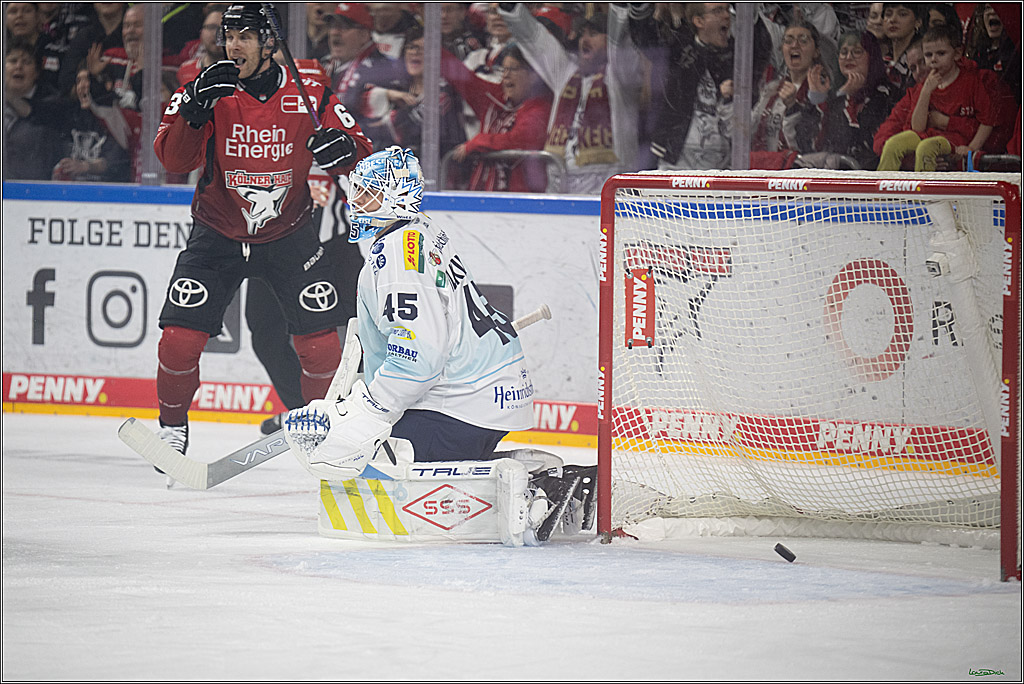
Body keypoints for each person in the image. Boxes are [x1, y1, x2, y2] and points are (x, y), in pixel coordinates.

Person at [281, 146, 594, 546]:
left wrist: (369, 411)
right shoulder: (419, 232)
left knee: (355, 456)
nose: (355, 202)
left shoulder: (398, 253)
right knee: (356, 443)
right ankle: (519, 472)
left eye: (368, 194)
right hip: (484, 397)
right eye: (357, 192)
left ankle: (529, 493)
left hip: (460, 404)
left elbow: (420, 357)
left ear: (396, 197)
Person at [150, 3, 373, 459]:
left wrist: (344, 149)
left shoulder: (309, 89)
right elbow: (174, 160)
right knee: (178, 338)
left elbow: (364, 157)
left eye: (246, 36)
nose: (233, 45)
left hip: (289, 231)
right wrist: (195, 109)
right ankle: (172, 427)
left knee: (319, 345)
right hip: (217, 231)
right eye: (229, 36)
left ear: (271, 43)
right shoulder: (204, 88)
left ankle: (326, 431)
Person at [498, 3, 644, 194]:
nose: (585, 39)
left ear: (609, 41)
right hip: (560, 182)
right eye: (583, 34)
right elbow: (536, 41)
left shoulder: (619, 79)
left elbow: (621, 47)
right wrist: (511, 10)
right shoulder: (567, 74)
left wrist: (619, 9)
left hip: (606, 188)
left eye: (593, 34)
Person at [628, 2, 735, 171]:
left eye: (727, 9)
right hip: (676, 163)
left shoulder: (738, 56)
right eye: (718, 11)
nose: (726, 15)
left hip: (722, 167)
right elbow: (646, 38)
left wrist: (729, 100)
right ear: (699, 21)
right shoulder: (680, 48)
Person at [876, 24, 995, 171]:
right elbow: (917, 127)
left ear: (957, 53)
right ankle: (881, 194)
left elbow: (988, 120)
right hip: (926, 135)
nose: (933, 60)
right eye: (928, 55)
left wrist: (971, 148)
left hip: (954, 140)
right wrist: (926, 91)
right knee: (893, 144)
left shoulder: (971, 82)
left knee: (926, 148)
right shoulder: (924, 85)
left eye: (941, 53)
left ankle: (923, 194)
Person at [444, 43, 552, 191]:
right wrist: (430, 47)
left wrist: (478, 142)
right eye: (504, 69)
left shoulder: (541, 109)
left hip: (518, 204)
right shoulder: (494, 98)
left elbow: (518, 140)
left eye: (513, 69)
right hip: (480, 198)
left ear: (534, 75)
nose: (506, 75)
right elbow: (460, 76)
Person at [361, 25, 467, 163]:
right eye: (411, 47)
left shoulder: (444, 92)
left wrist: (382, 120)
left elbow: (407, 127)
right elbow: (360, 109)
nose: (415, 52)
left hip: (438, 174)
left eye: (424, 48)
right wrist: (387, 94)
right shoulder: (398, 89)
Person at [749, 19, 831, 169]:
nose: (794, 45)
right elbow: (747, 131)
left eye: (803, 40)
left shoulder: (822, 90)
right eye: (788, 40)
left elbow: (813, 147)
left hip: (796, 180)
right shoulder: (772, 88)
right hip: (763, 175)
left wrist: (794, 108)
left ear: (816, 51)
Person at [820, 31, 892, 169]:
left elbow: (866, 144)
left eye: (857, 52)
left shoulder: (886, 95)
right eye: (844, 52)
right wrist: (842, 95)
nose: (848, 57)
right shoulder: (835, 94)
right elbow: (827, 142)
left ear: (872, 57)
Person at [52, 67, 131, 182]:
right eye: (79, 81)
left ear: (106, 85)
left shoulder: (114, 118)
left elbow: (113, 160)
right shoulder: (71, 116)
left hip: (106, 192)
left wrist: (86, 166)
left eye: (87, 80)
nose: (82, 86)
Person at [3, 40, 65, 181]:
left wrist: (8, 96)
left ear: (36, 73)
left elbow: (32, 112)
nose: (18, 66)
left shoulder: (52, 102)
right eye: (13, 61)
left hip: (31, 189)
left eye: (26, 62)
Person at [880, 2, 923, 102]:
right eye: (888, 14)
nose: (893, 20)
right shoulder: (882, 60)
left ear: (918, 22)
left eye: (902, 14)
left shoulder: (923, 59)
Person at [177, 6, 228, 86]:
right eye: (211, 27)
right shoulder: (185, 69)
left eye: (223, 28)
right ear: (201, 33)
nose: (217, 33)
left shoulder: (242, 71)